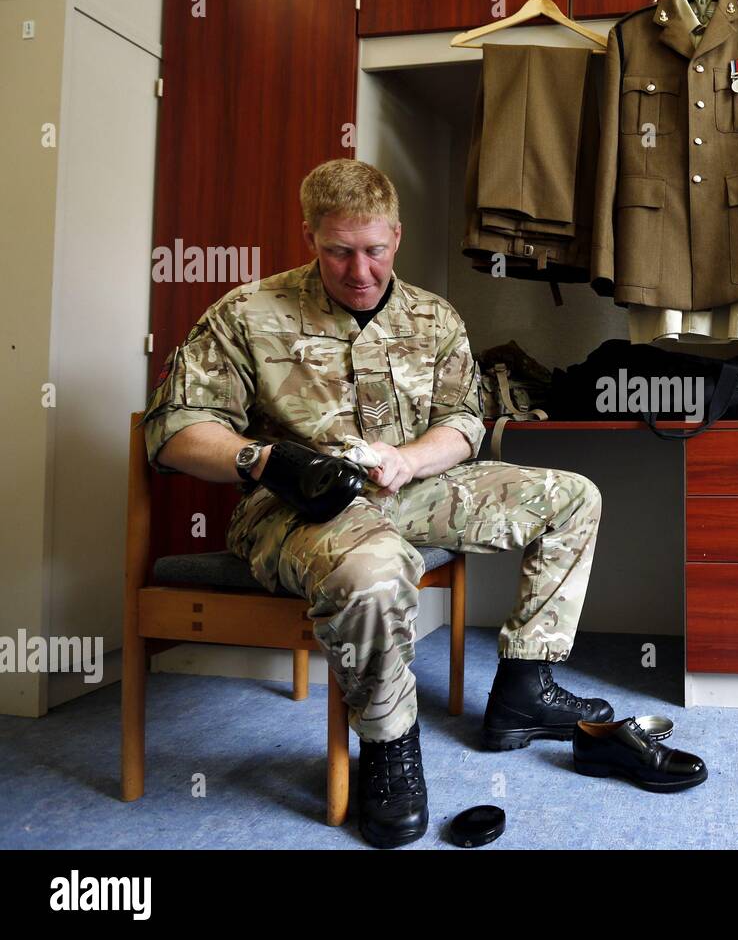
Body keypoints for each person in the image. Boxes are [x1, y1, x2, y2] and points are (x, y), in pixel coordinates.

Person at [140, 159, 613, 848]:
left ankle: (524, 687)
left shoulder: (433, 316)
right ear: (309, 236)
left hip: (412, 486)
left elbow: (466, 423)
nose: (359, 270)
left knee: (573, 498)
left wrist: (410, 459)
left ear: (397, 234)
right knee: (374, 568)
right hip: (294, 506)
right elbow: (174, 429)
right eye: (338, 251)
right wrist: (263, 459)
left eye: (375, 250)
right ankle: (390, 745)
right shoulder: (248, 313)